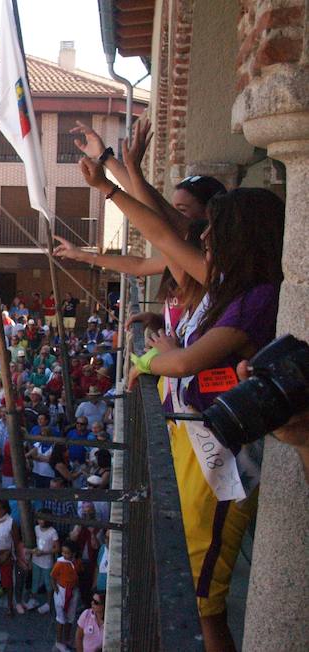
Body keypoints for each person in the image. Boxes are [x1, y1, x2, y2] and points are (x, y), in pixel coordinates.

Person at [85, 137, 285, 649]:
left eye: (214, 234)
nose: (205, 242)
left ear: (242, 239)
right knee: (197, 594)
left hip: (221, 462)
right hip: (197, 444)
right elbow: (166, 235)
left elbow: (186, 361)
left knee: (204, 603)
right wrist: (110, 185)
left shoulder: (254, 299)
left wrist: (153, 358)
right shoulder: (225, 287)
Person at [51, 541, 83, 652]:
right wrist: (56, 590)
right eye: (63, 552)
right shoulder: (60, 563)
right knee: (61, 618)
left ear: (73, 553)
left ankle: (67, 639)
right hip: (63, 592)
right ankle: (59, 641)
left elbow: (79, 573)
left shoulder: (76, 562)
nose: (65, 555)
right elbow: (53, 576)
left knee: (70, 617)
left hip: (73, 591)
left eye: (67, 553)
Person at [32, 511, 60, 614]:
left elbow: (57, 548)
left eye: (42, 519)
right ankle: (33, 599)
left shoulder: (53, 532)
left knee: (48, 583)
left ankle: (48, 603)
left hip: (47, 562)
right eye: (38, 518)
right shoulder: (35, 528)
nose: (40, 521)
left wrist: (44, 552)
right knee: (35, 581)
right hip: (36, 560)